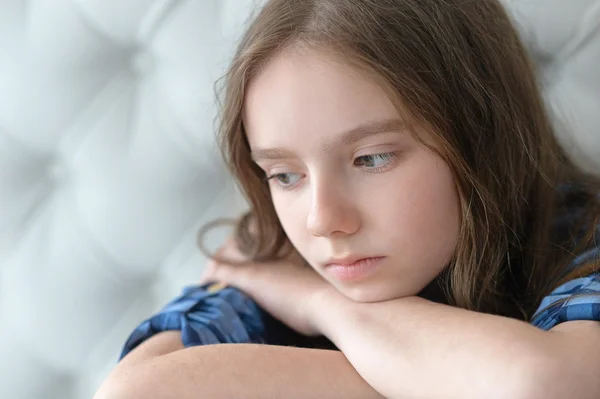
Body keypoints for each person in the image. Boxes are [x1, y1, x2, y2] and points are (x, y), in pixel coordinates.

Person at [94, 0, 600, 398]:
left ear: (481, 137)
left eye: (372, 159)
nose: (322, 221)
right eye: (285, 175)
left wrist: (317, 301)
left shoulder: (586, 237)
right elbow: (132, 391)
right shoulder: (267, 259)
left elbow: (544, 385)